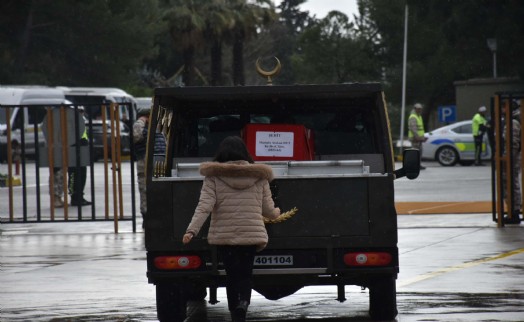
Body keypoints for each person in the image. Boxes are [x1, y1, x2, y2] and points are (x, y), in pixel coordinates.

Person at [182, 136, 281, 322]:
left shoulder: (213, 178)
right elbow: (267, 209)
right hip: (251, 235)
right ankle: (243, 303)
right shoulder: (259, 176)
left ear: (221, 154)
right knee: (245, 274)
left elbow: (204, 207)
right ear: (245, 153)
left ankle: (235, 310)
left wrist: (191, 231)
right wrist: (277, 213)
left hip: (225, 236)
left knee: (232, 275)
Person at [133, 105, 166, 227]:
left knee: (158, 190)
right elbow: (136, 136)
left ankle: (155, 216)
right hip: (145, 164)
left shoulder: (156, 127)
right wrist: (141, 121)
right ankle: (147, 217)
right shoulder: (140, 126)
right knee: (145, 190)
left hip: (157, 163)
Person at [501, 100, 521, 224]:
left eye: (504, 107)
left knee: (511, 184)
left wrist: (507, 158)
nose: (502, 110)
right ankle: (513, 211)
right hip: (511, 158)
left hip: (511, 158)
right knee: (511, 183)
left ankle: (514, 212)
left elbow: (512, 143)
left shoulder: (513, 121)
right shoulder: (513, 120)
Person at [69, 106, 91, 206]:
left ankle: (80, 197)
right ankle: (74, 197)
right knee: (74, 174)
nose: (81, 113)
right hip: (74, 151)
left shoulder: (81, 121)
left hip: (82, 150)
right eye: (79, 111)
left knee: (82, 174)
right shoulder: (71, 122)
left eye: (82, 111)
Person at [408, 103, 428, 169]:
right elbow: (413, 129)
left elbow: (420, 129)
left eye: (420, 109)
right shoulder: (413, 117)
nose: (420, 110)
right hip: (415, 138)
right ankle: (415, 165)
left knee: (418, 152)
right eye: (418, 109)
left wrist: (422, 137)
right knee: (415, 152)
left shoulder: (418, 116)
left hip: (418, 138)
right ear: (415, 109)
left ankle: (418, 165)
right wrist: (418, 138)